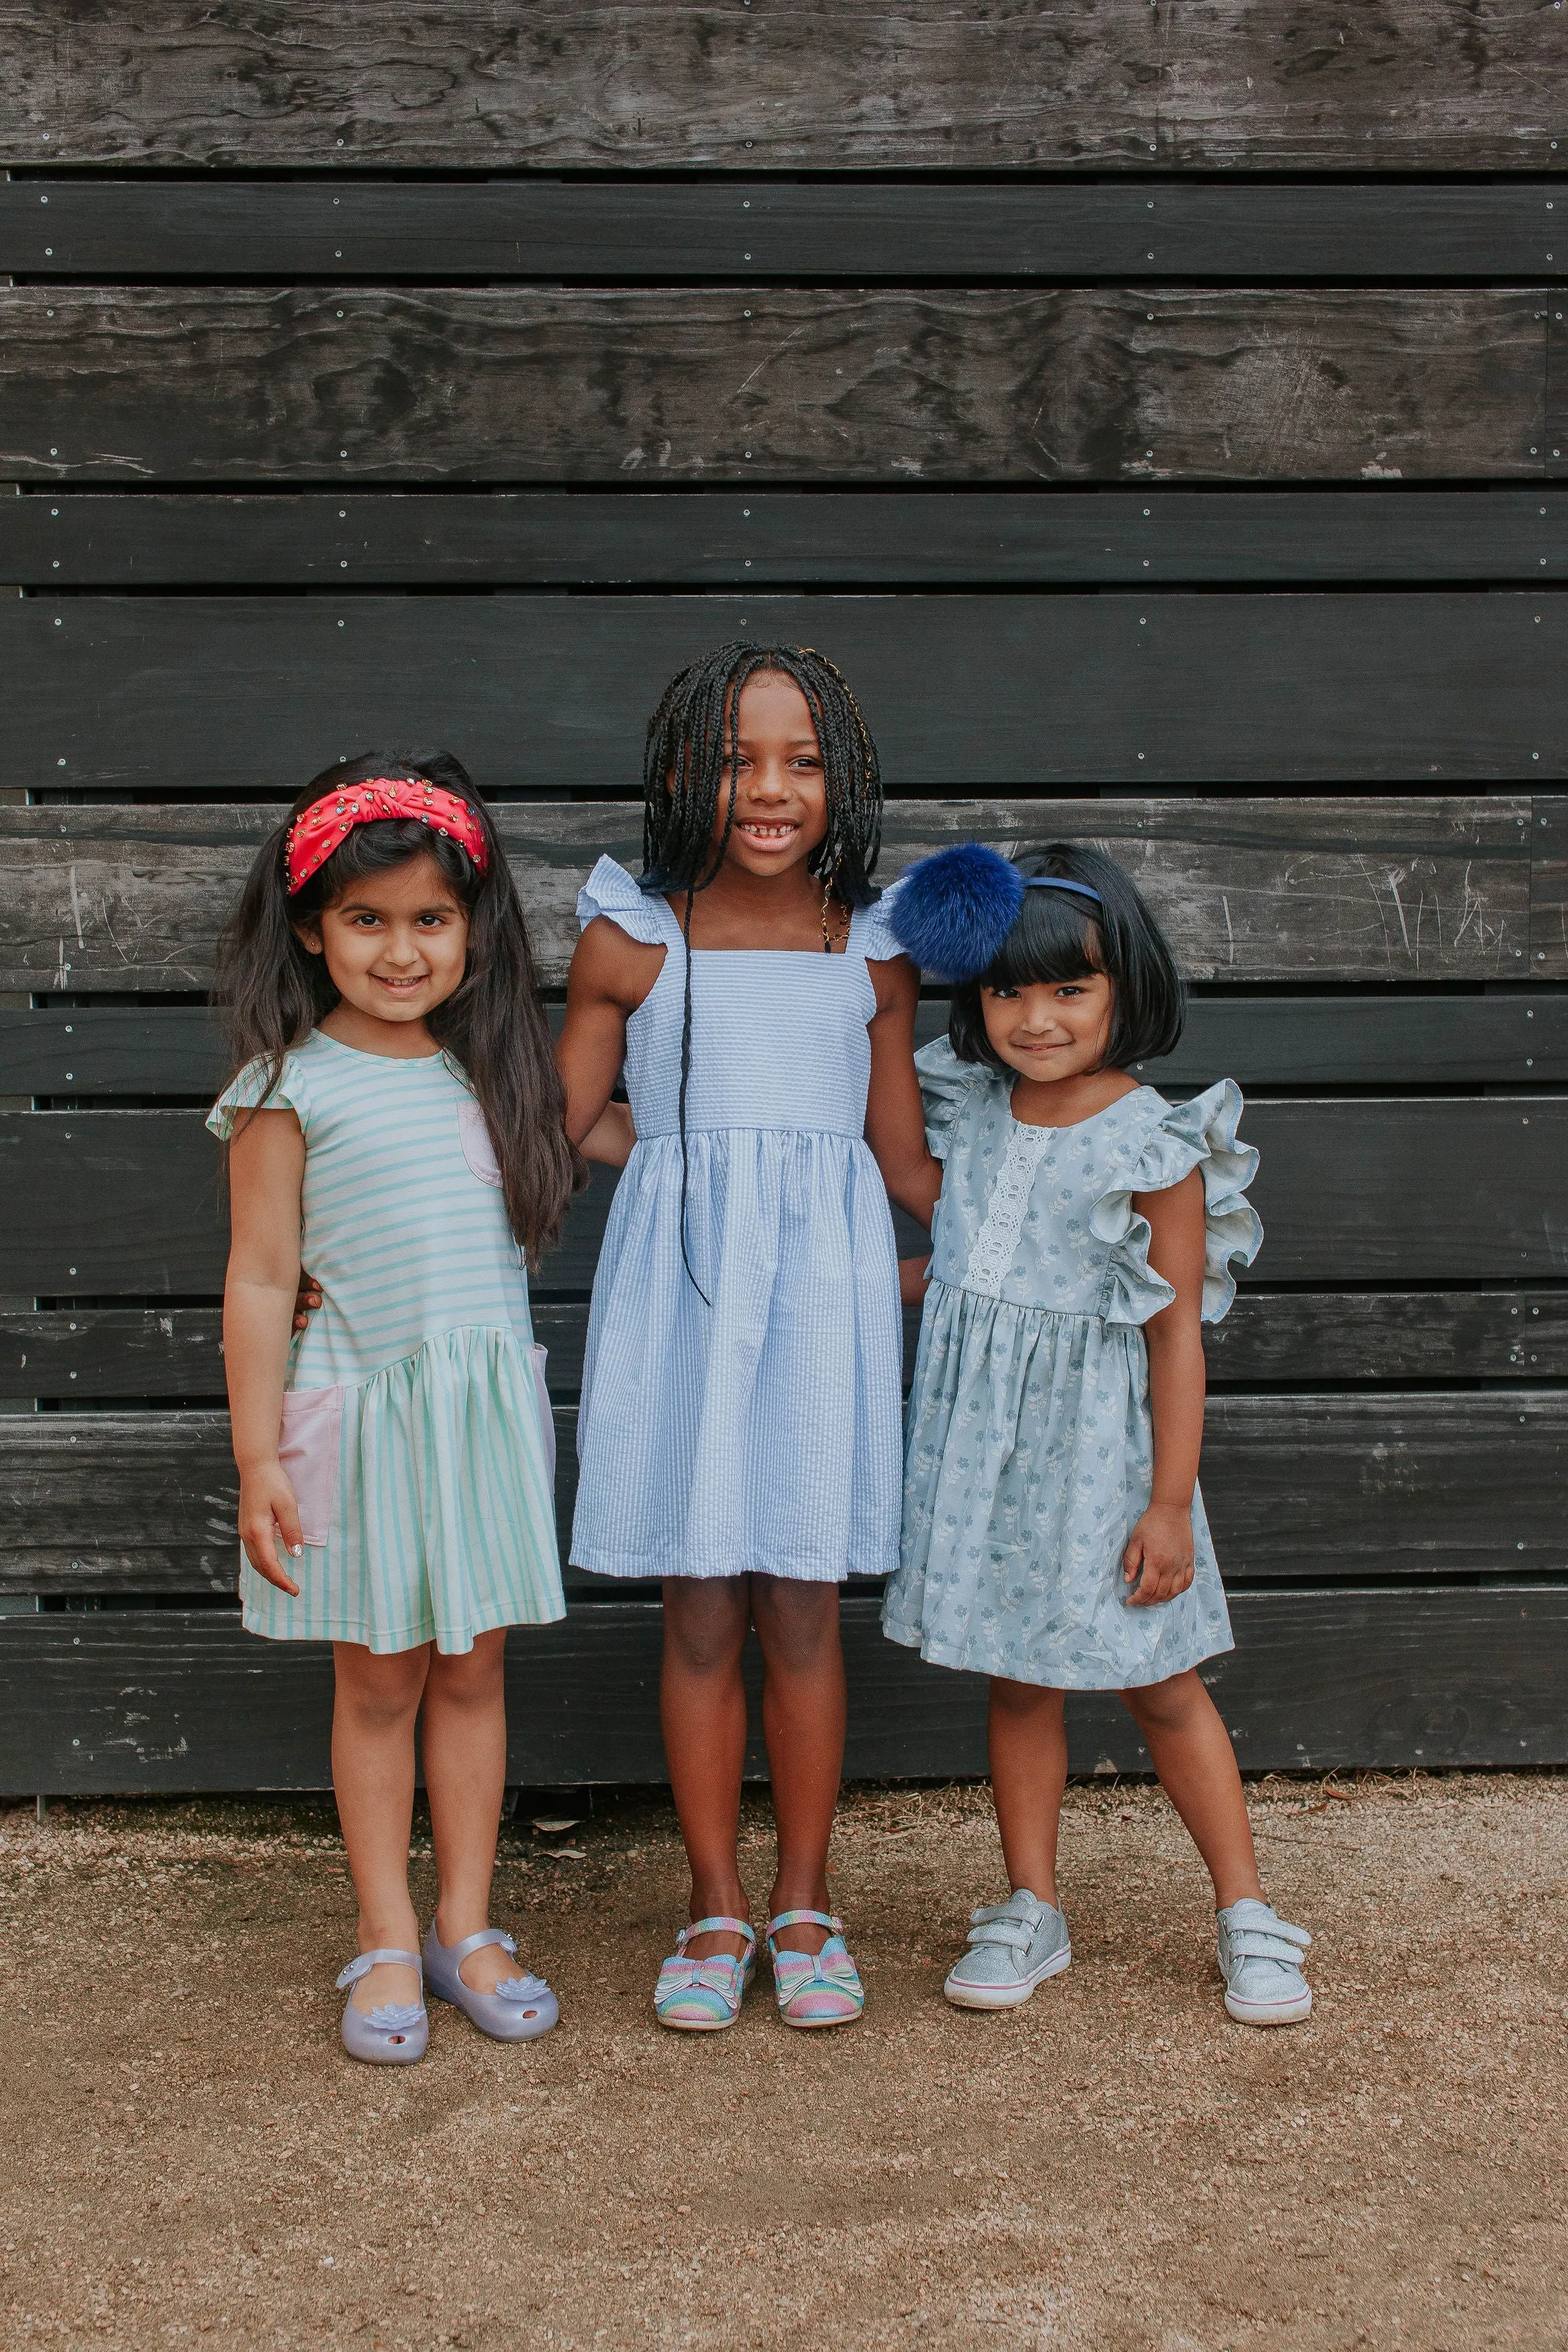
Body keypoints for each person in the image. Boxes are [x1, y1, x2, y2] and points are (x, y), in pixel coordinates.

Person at [556, 642, 928, 2030]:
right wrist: (683, 1166)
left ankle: (807, 1902)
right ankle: (713, 1907)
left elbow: (902, 1163)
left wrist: (1014, 1242)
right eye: (734, 760)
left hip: (823, 1309)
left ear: (846, 780)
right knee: (703, 1608)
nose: (769, 790)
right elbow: (565, 1118)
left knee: (806, 1609)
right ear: (676, 775)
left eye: (803, 762)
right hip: (692, 1295)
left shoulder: (869, 947)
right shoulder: (634, 931)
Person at [880, 841, 1314, 2027]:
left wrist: (1168, 1501)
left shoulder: (1154, 1144)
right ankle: (1031, 1904)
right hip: (987, 1462)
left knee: (1162, 1684)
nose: (1035, 1017)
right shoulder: (972, 1107)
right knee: (1019, 1684)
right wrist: (881, 995)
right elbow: (939, 1213)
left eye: (1069, 988)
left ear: (1124, 984)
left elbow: (1175, 1337)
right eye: (1008, 989)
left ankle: (1246, 1913)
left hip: (1102, 1465)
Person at [209, 753, 582, 2065]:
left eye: (430, 919)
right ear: (313, 929)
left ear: (472, 930)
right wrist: (259, 1454)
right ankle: (383, 1933)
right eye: (367, 920)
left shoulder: (498, 1076)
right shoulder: (284, 1087)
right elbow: (260, 1279)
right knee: (377, 1682)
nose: (402, 949)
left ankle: (465, 1924)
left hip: (478, 1419)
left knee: (473, 1669)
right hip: (356, 1420)